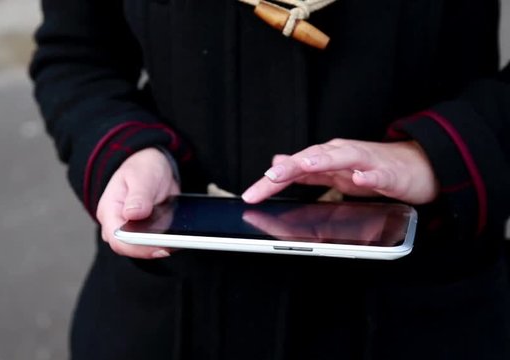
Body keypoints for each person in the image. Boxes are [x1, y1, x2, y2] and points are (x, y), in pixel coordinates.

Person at [30, 0, 510, 359]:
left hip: (424, 313)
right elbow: (76, 57)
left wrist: (437, 155)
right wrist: (127, 153)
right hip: (168, 318)